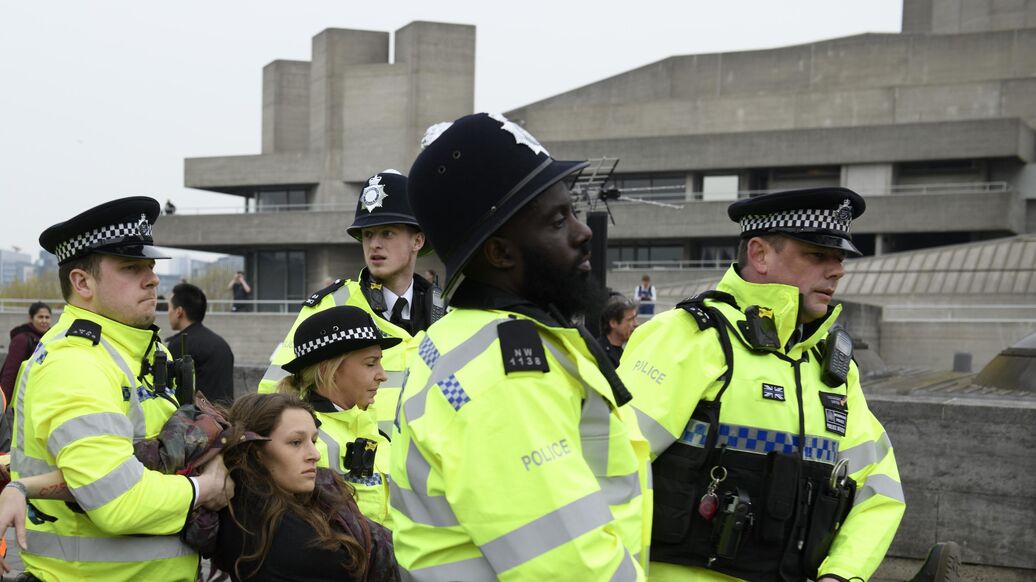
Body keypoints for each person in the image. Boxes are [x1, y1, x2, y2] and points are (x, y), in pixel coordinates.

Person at [391, 112, 650, 579]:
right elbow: (571, 568)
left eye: (572, 211)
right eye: (557, 220)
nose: (583, 231)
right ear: (501, 253)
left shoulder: (469, 337)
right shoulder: (504, 379)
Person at [619, 188, 907, 582]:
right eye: (817, 255)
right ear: (760, 254)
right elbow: (610, 468)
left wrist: (841, 575)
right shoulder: (689, 338)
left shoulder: (832, 367)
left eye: (839, 258)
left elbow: (879, 485)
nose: (837, 270)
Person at [5, 196, 233, 581]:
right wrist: (202, 489)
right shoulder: (74, 363)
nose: (153, 278)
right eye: (131, 267)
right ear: (82, 282)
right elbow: (117, 500)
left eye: (150, 265)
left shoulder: (138, 351)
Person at [257, 169, 445, 438]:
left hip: (425, 469)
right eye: (367, 235)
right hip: (351, 471)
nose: (374, 245)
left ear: (418, 240)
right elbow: (274, 393)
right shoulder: (331, 304)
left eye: (387, 233)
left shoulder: (447, 313)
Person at [213, 393, 399, 581]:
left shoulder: (237, 507)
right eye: (296, 442)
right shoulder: (295, 540)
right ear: (257, 452)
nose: (315, 454)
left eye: (314, 441)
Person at [276, 305, 399, 527]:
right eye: (371, 363)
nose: (383, 375)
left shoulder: (374, 430)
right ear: (327, 371)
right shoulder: (304, 441)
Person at [166, 282, 236, 405]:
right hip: (224, 418)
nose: (168, 312)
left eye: (169, 307)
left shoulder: (180, 344)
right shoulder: (221, 343)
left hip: (197, 419)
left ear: (179, 311)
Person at [0, 302, 51, 407]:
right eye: (40, 317)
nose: (44, 321)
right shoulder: (22, 339)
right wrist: (2, 406)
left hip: (43, 399)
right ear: (31, 318)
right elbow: (10, 374)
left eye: (47, 317)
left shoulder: (51, 338)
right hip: (24, 400)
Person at [597, 298, 637, 367]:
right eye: (630, 319)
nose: (636, 324)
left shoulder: (623, 353)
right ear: (613, 323)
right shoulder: (598, 353)